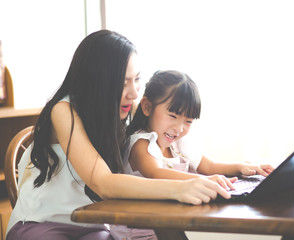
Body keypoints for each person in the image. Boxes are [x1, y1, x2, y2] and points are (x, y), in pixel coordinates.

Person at [6, 30, 232, 240]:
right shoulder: (64, 111)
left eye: (137, 80)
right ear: (98, 83)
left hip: (92, 225)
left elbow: (165, 128)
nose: (134, 93)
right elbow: (103, 182)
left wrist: (217, 175)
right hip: (41, 224)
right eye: (123, 83)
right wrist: (182, 188)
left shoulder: (125, 109)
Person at [124, 70, 274, 189]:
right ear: (147, 107)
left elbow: (209, 166)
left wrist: (241, 167)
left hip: (166, 219)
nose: (179, 128)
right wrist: (206, 180)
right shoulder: (141, 143)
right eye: (172, 116)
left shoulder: (178, 144)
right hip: (138, 225)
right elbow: (156, 174)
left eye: (188, 121)